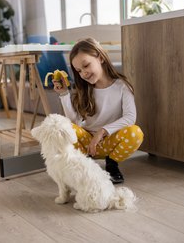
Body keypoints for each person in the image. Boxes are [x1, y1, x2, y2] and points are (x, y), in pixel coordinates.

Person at [52, 37, 144, 184]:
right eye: (79, 71)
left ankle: (112, 164)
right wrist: (64, 94)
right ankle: (84, 166)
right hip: (87, 144)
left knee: (135, 132)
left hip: (109, 141)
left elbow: (130, 117)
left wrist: (102, 132)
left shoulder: (122, 87)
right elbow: (74, 122)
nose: (84, 74)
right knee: (63, 127)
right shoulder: (84, 89)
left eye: (86, 65)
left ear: (100, 57)